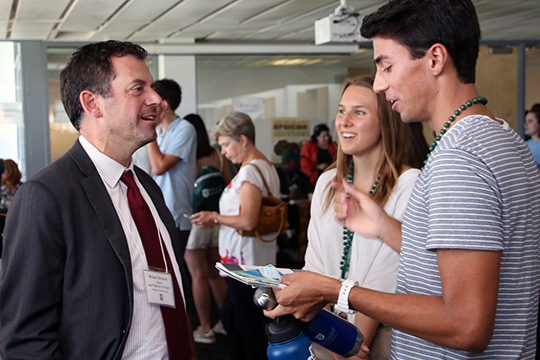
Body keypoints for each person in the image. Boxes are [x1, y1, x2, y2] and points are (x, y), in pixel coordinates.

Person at [266, 1, 540, 359]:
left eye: (387, 66)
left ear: (436, 59)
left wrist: (336, 290)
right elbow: (462, 262)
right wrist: (385, 228)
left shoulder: (458, 159)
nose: (380, 84)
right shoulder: (501, 136)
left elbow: (466, 325)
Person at [0, 40, 197, 359]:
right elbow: (26, 338)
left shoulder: (147, 188)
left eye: (153, 87)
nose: (156, 99)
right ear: (93, 104)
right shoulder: (47, 196)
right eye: (138, 89)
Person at [305, 75, 419, 360]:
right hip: (327, 329)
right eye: (342, 110)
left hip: (381, 338)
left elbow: (389, 275)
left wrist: (351, 342)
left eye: (359, 112)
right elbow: (315, 262)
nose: (344, 121)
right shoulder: (328, 181)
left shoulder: (409, 184)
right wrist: (332, 333)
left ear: (386, 121)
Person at [191, 111, 280, 360]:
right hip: (252, 260)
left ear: (242, 140)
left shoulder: (250, 172)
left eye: (226, 145)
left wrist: (214, 217)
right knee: (233, 317)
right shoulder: (266, 166)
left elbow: (248, 220)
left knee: (246, 325)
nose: (225, 152)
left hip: (246, 265)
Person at [183, 113, 230, 344]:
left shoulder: (188, 156)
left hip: (196, 221)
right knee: (214, 273)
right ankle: (226, 322)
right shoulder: (217, 154)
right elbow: (228, 185)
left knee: (197, 274)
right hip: (217, 221)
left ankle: (205, 328)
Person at [147, 79, 197, 261]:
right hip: (158, 209)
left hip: (175, 213)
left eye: (153, 103)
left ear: (165, 105)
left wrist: (149, 126)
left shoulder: (184, 129)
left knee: (174, 269)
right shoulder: (160, 132)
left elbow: (159, 167)